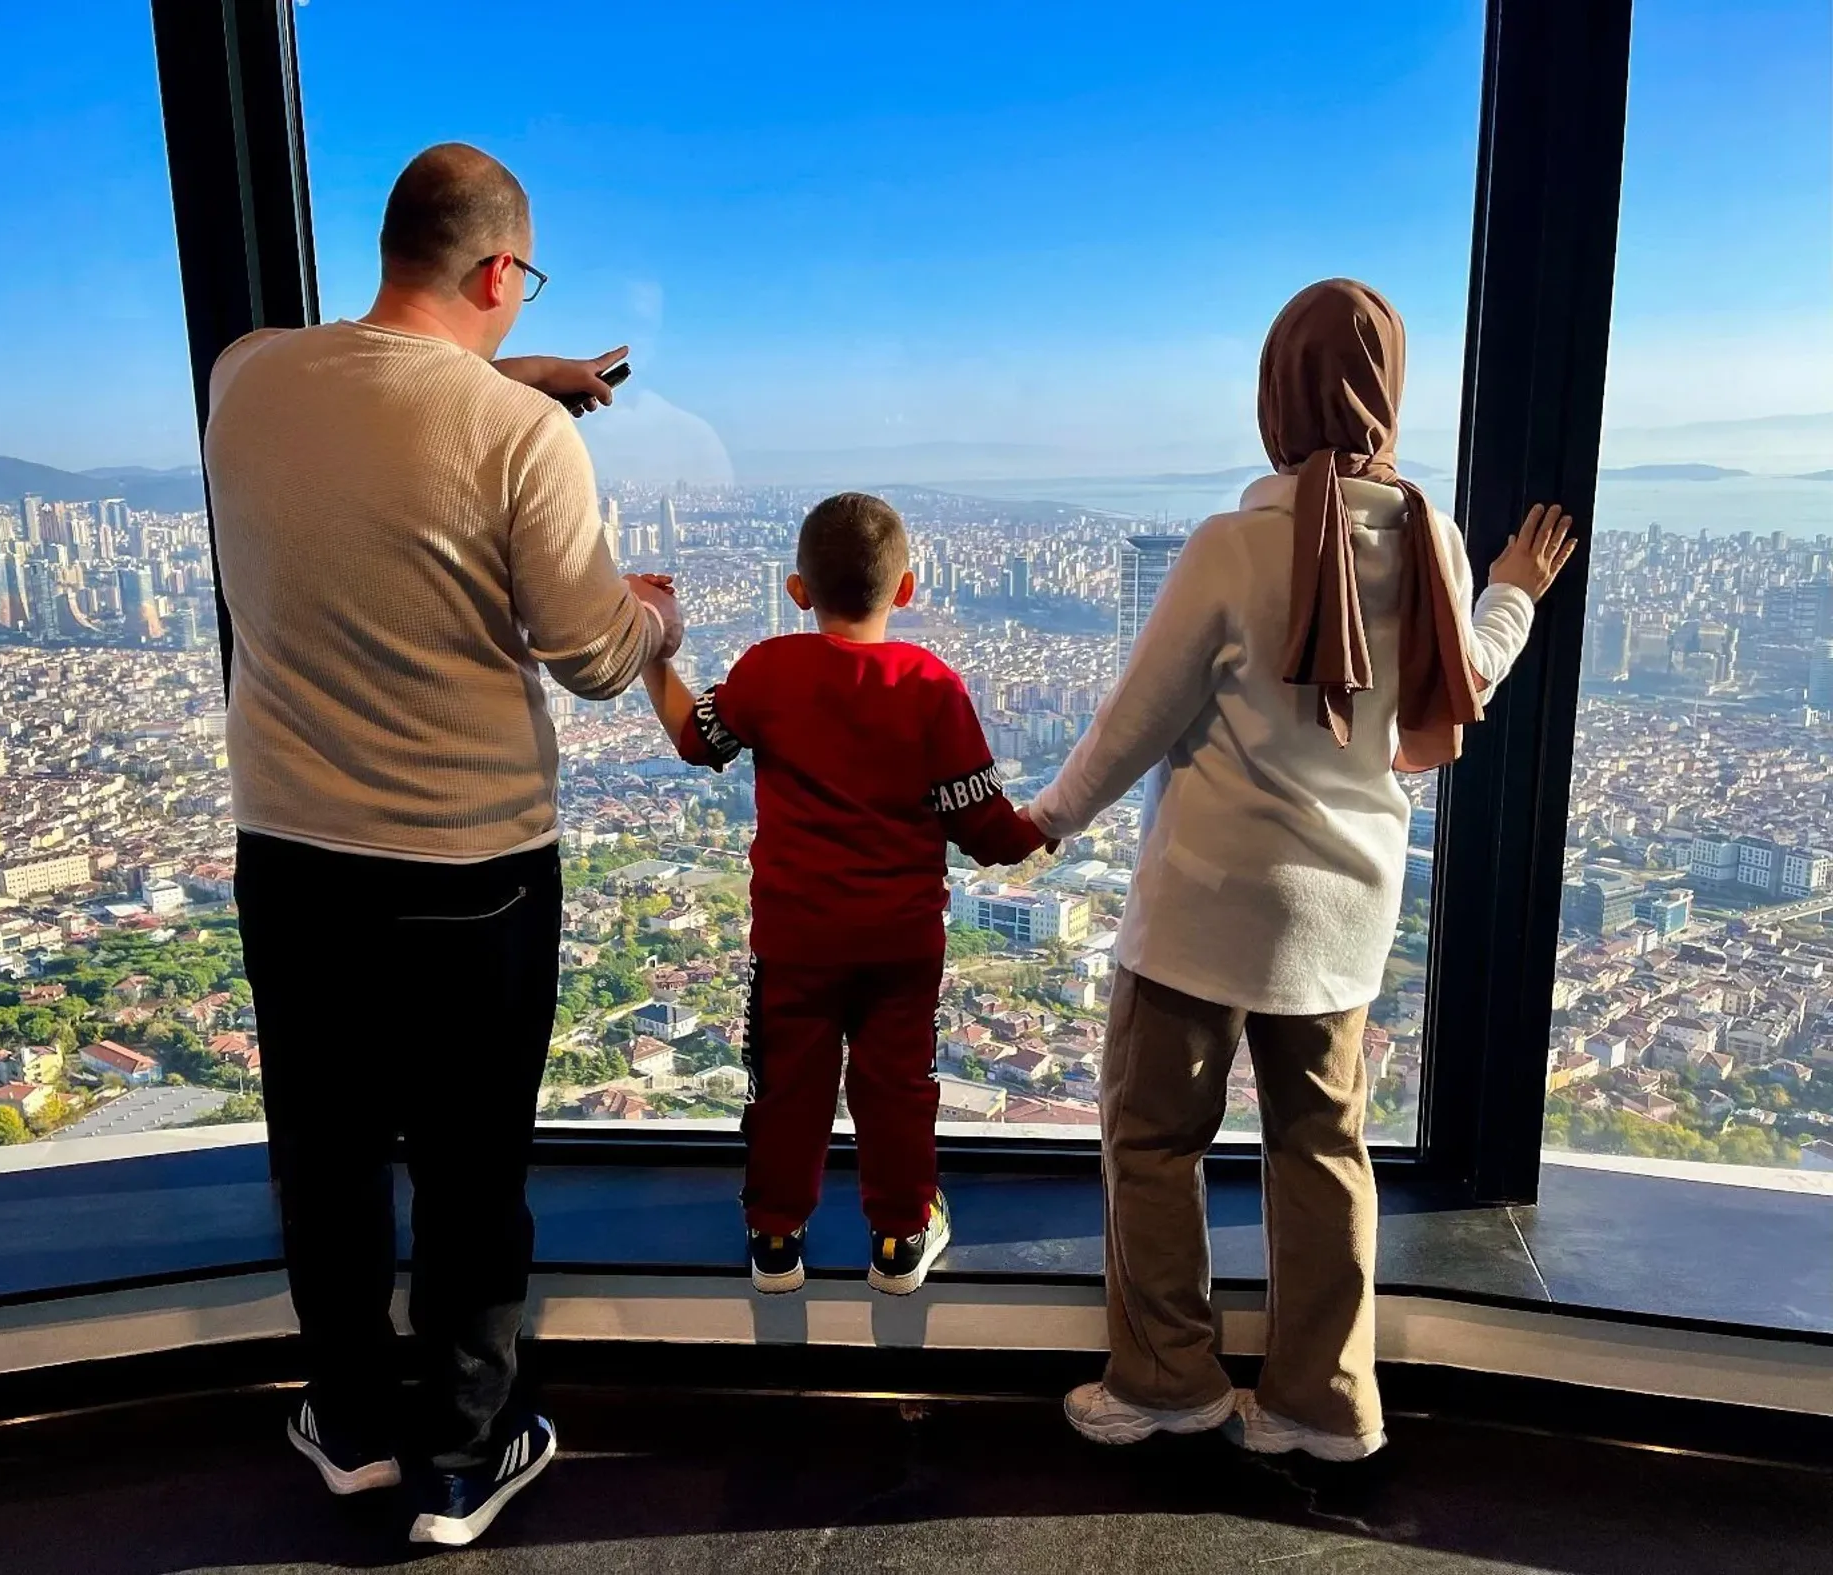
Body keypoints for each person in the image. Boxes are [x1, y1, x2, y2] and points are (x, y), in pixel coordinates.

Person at [203, 142, 683, 1547]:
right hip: (471, 873)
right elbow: (593, 654)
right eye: (523, 288)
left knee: (329, 1152)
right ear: (497, 273)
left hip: (293, 857)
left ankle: (350, 1425)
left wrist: (510, 381)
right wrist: (651, 609)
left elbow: (379, 392)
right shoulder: (522, 442)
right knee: (474, 1169)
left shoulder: (243, 376)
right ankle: (465, 1460)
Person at [1032, 280, 1576, 1461]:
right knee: (1325, 1156)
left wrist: (1048, 818)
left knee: (1151, 1142)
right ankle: (1324, 1403)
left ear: (1275, 394)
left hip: (1200, 913)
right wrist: (1514, 593)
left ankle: (1170, 1379)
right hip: (1340, 922)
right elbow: (1468, 674)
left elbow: (1133, 723)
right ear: (1388, 394)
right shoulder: (1427, 536)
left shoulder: (1235, 546)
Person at [639, 493, 1050, 1295]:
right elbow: (986, 830)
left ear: (799, 590)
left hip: (795, 941)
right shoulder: (933, 686)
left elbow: (695, 738)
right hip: (901, 946)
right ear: (907, 589)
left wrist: (654, 650)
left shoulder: (769, 669)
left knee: (788, 1085)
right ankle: (898, 1239)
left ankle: (775, 1240)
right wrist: (1051, 821)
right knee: (898, 1088)